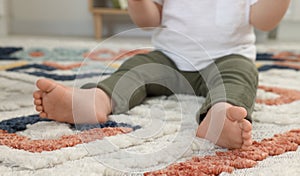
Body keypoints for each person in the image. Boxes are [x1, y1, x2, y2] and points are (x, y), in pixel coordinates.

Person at [33, 0, 291, 149]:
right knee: (137, 66)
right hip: (169, 59)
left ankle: (221, 115)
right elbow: (149, 19)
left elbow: (263, 21)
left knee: (240, 75)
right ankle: (96, 99)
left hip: (226, 59)